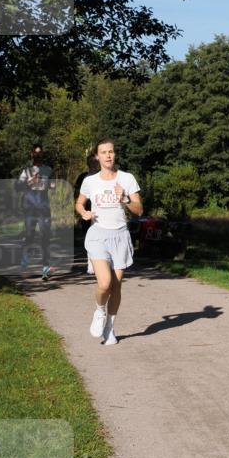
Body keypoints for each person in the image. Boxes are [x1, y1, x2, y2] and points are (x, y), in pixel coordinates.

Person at [75, 139, 142, 346]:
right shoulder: (90, 181)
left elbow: (139, 210)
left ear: (115, 154)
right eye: (103, 152)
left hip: (120, 236)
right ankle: (99, 311)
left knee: (116, 286)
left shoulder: (127, 178)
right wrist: (83, 212)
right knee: (104, 283)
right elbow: (79, 203)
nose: (108, 155)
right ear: (97, 156)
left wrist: (125, 199)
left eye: (110, 151)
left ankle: (110, 328)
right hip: (97, 235)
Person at [17, 144, 57, 280]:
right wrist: (31, 182)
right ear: (32, 154)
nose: (38, 155)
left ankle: (45, 268)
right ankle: (24, 266)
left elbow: (53, 185)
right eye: (36, 152)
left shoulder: (48, 169)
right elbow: (18, 187)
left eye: (40, 153)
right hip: (30, 207)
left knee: (45, 236)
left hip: (44, 206)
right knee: (30, 236)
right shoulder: (26, 170)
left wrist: (51, 185)